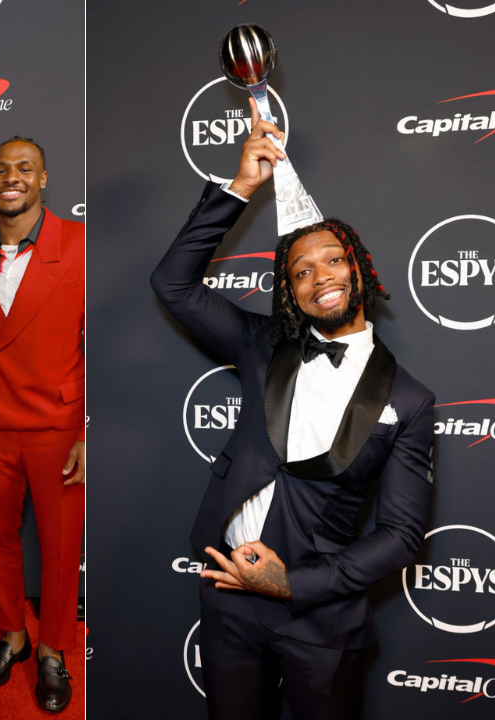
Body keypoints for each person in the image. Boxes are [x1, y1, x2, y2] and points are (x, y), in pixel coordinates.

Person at [150, 100, 435, 720]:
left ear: (361, 268)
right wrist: (242, 187)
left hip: (322, 618)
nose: (320, 276)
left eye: (334, 259)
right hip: (227, 595)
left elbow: (401, 534)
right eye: (300, 271)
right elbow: (173, 284)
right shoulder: (263, 343)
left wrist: (292, 585)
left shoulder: (409, 400)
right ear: (290, 292)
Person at [0, 138, 84, 713]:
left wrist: (88, 429)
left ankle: (54, 648)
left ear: (44, 179)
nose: (12, 177)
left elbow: (100, 342)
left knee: (59, 547)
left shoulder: (79, 244)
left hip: (59, 424)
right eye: (1, 169)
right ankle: (11, 635)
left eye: (24, 168)